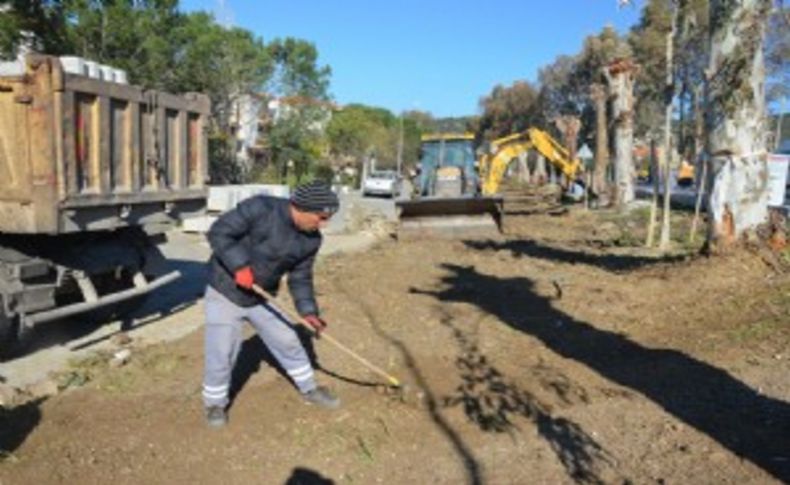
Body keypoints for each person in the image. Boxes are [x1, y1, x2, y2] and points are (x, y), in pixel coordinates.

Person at [202, 180, 340, 428]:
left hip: (262, 295)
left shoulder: (311, 240)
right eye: (320, 217)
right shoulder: (260, 208)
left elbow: (301, 277)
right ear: (302, 208)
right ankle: (215, 404)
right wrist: (239, 265)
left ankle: (309, 389)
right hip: (225, 290)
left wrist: (308, 313)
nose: (323, 224)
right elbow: (219, 231)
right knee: (221, 351)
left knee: (287, 339)